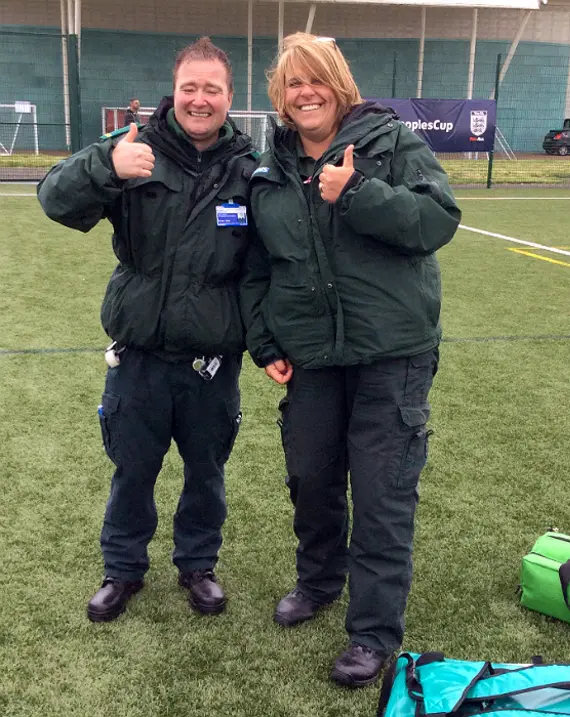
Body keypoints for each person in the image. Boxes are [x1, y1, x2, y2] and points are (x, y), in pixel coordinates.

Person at [240, 33, 460, 687]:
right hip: (311, 357)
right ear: (279, 96)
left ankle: (372, 633)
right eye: (293, 83)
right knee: (310, 479)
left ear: (340, 87)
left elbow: (438, 219)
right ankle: (317, 582)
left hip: (391, 355)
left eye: (317, 80)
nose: (305, 93)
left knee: (382, 494)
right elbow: (256, 270)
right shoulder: (267, 170)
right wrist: (266, 342)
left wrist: (358, 191)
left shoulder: (391, 145)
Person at [38, 37, 258, 623]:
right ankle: (122, 569)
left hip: (212, 361)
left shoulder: (249, 168)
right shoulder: (133, 148)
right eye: (191, 87)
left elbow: (269, 264)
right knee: (132, 468)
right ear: (175, 91)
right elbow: (54, 200)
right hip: (138, 353)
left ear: (230, 97)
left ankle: (198, 565)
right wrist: (105, 169)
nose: (200, 99)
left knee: (206, 473)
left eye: (212, 89)